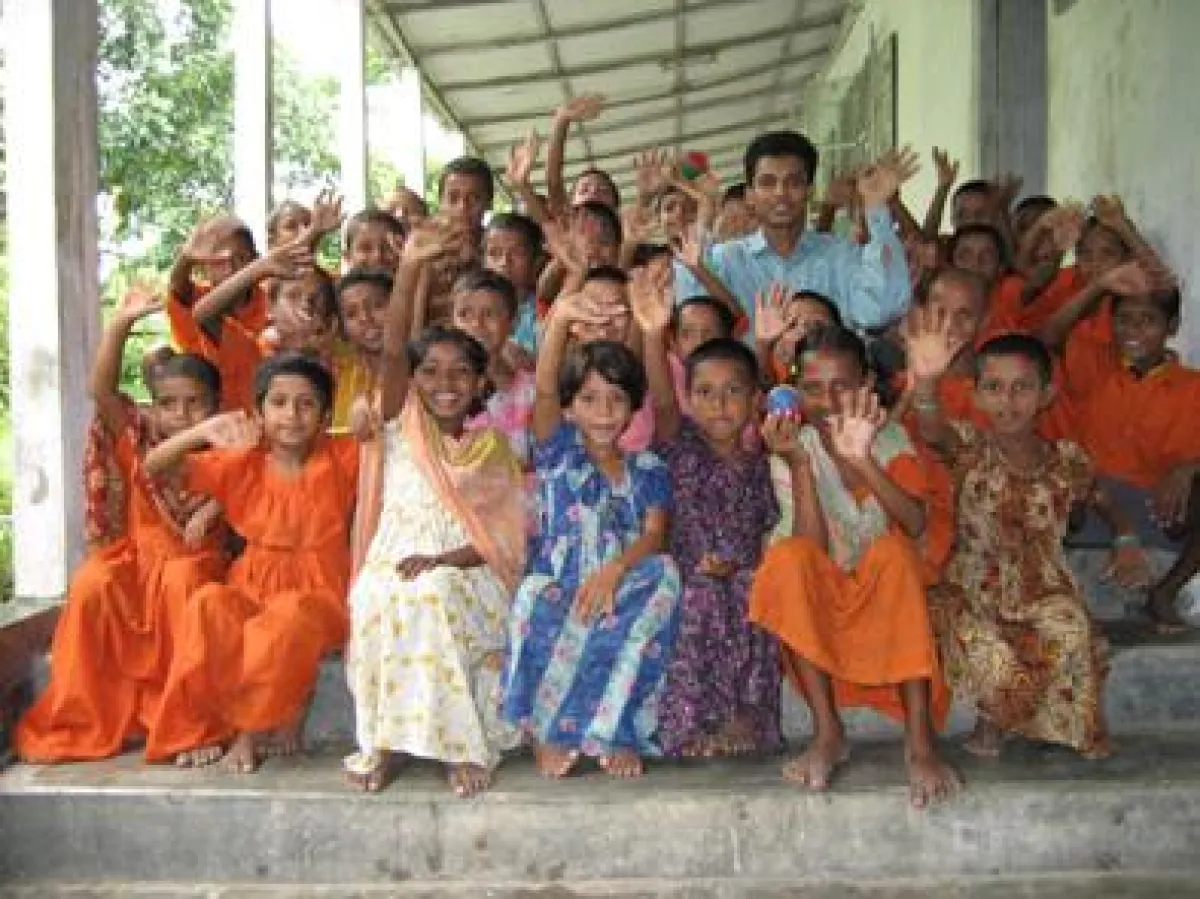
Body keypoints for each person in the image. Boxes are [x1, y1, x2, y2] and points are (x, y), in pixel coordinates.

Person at [343, 221, 526, 797]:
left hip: (469, 573)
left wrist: (442, 558)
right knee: (376, 595)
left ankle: (459, 747)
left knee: (433, 593)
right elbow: (395, 347)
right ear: (414, 381)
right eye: (431, 372)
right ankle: (387, 744)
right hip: (393, 558)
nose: (445, 383)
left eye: (460, 373)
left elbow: (503, 541)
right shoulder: (400, 426)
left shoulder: (490, 447)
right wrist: (411, 269)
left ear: (478, 384)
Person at [907, 324, 1148, 758]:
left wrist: (1126, 538)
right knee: (983, 643)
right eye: (995, 388)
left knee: (1071, 627)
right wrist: (925, 382)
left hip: (1041, 588)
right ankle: (993, 720)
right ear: (977, 395)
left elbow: (1105, 502)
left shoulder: (1066, 460)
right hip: (972, 587)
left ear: (1047, 393)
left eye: (1022, 388)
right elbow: (930, 429)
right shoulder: (968, 446)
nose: (1008, 401)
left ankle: (1019, 719)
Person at [748, 325, 959, 809]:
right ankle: (828, 731)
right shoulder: (791, 446)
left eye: (842, 386)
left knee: (893, 554)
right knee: (785, 561)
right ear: (796, 389)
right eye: (813, 388)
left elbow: (914, 523)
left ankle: (920, 740)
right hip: (828, 594)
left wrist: (862, 461)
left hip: (888, 594)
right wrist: (800, 463)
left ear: (867, 383)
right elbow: (810, 552)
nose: (827, 401)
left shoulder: (890, 438)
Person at [16, 286, 227, 763]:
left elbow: (252, 500)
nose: (182, 415)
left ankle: (189, 723)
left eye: (195, 403)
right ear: (154, 406)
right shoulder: (138, 435)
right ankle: (90, 715)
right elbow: (101, 391)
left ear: (216, 404)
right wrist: (120, 325)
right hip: (135, 558)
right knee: (93, 582)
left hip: (196, 562)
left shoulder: (231, 444)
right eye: (170, 404)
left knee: (183, 582)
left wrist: (218, 506)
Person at [141, 353, 359, 772]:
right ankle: (199, 731)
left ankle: (250, 732)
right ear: (258, 412)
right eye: (278, 402)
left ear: (326, 415)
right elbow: (153, 467)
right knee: (208, 605)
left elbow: (384, 428)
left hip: (320, 594)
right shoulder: (242, 461)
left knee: (283, 619)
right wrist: (203, 431)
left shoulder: (343, 456)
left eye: (306, 404)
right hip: (253, 583)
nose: (291, 415)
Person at [501, 291, 682, 780]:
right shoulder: (558, 451)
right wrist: (559, 318)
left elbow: (655, 535)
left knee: (664, 575)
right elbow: (541, 389)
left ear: (632, 408)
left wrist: (614, 571)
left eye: (616, 399)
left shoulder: (648, 467)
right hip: (562, 587)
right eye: (588, 399)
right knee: (533, 598)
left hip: (619, 586)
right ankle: (547, 732)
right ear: (569, 408)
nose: (603, 412)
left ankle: (613, 728)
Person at [631, 267, 782, 758]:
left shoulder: (760, 458)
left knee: (751, 596)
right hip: (685, 569)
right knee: (697, 598)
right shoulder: (680, 443)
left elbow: (762, 531)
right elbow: (659, 394)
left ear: (753, 400)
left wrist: (761, 345)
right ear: (689, 398)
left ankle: (744, 718)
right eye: (704, 393)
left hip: (740, 573)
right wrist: (653, 336)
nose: (719, 404)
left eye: (733, 392)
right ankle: (689, 725)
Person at [674, 130, 911, 331]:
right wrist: (705, 209)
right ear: (750, 195)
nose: (781, 193)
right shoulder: (726, 259)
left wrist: (876, 207)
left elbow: (882, 310)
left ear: (809, 190)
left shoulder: (840, 255)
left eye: (794, 182)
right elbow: (690, 302)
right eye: (767, 182)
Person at [1065, 285, 1200, 631]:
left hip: (1163, 513)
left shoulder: (1193, 387)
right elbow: (1081, 466)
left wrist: (1189, 468)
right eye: (1124, 320)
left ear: (1171, 326)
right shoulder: (1095, 379)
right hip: (1098, 509)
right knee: (1063, 479)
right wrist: (1122, 531)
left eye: (1148, 321)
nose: (1134, 331)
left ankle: (1165, 592)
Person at [452, 269, 537, 465]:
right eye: (465, 314)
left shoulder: (531, 391)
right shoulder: (438, 388)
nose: (476, 324)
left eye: (489, 314)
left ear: (513, 323)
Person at [330, 267, 392, 434]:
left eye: (377, 306)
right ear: (341, 327)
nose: (365, 318)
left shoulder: (421, 366)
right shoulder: (336, 372)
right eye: (351, 314)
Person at [483, 212, 544, 354]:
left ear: (536, 262)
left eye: (517, 253)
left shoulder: (545, 313)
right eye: (494, 253)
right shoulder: (467, 307)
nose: (504, 262)